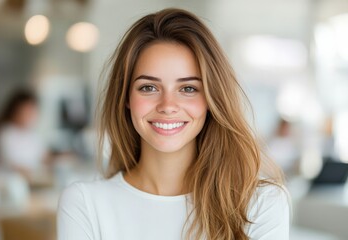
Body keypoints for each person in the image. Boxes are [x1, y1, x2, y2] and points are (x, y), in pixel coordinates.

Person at [57, 8, 290, 240]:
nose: (168, 105)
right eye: (148, 87)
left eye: (188, 89)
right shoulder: (85, 204)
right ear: (126, 97)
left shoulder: (260, 204)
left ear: (211, 99)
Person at [0, 89, 48, 179]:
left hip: (32, 181)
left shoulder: (32, 134)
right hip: (8, 183)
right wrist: (37, 172)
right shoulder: (5, 133)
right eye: (26, 110)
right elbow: (13, 165)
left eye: (32, 110)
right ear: (15, 111)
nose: (30, 114)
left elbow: (43, 156)